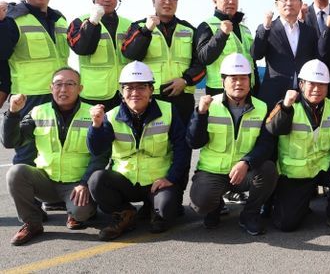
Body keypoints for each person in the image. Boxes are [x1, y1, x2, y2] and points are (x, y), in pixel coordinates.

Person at [87, 61, 191, 240]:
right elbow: (97, 149)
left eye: (141, 87)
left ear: (151, 90)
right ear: (122, 92)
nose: (135, 93)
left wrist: (171, 178)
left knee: (167, 210)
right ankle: (125, 213)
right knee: (97, 180)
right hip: (125, 180)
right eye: (129, 88)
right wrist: (96, 126)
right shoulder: (110, 116)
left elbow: (182, 147)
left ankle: (154, 209)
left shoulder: (168, 111)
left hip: (157, 181)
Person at [1, 67, 106, 245]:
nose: (63, 89)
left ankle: (77, 213)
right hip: (46, 182)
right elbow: (11, 142)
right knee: (16, 172)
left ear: (80, 88)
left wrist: (84, 183)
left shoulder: (92, 114)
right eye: (58, 84)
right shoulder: (38, 112)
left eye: (70, 84)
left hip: (76, 185)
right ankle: (32, 223)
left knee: (81, 212)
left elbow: (101, 156)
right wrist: (13, 112)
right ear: (51, 88)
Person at [267, 59, 330, 235]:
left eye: (322, 84)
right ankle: (298, 204)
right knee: (286, 224)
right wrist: (286, 107)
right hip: (295, 172)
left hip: (323, 166)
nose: (317, 89)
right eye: (312, 84)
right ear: (301, 84)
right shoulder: (287, 105)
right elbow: (273, 128)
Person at [187, 53, 277, 234]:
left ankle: (249, 215)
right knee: (201, 203)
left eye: (243, 78)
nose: (238, 83)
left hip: (244, 171)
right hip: (213, 171)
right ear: (223, 82)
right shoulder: (209, 105)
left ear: (250, 81)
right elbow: (194, 142)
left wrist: (246, 162)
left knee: (268, 170)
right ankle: (215, 207)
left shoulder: (262, 107)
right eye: (233, 78)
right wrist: (200, 115)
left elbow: (266, 144)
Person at [1, 0, 70, 168]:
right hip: (29, 97)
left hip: (60, 95)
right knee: (27, 151)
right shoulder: (12, 18)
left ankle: (51, 190)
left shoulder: (60, 19)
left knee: (57, 149)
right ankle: (24, 190)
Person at [121, 0, 205, 126]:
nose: (167, 2)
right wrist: (146, 31)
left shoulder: (189, 29)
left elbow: (201, 62)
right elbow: (130, 54)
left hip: (182, 96)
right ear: (153, 1)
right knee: (153, 136)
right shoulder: (139, 26)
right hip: (151, 96)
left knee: (183, 137)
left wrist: (185, 80)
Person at [67, 0, 132, 110]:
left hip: (125, 93)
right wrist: (92, 23)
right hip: (93, 96)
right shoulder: (79, 23)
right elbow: (82, 49)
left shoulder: (129, 25)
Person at [251, 0, 319, 109]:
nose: (289, 3)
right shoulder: (267, 28)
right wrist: (265, 28)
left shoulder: (310, 31)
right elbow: (256, 54)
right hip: (274, 95)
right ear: (276, 4)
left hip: (303, 96)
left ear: (300, 3)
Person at [195, 0, 258, 97]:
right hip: (219, 90)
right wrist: (222, 34)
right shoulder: (207, 25)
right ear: (215, 1)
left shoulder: (245, 29)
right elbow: (204, 58)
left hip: (248, 89)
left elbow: (252, 62)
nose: (231, 1)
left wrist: (257, 88)